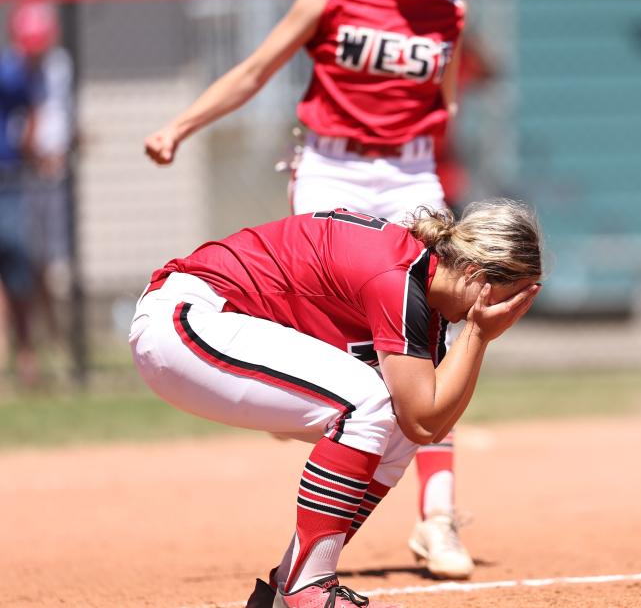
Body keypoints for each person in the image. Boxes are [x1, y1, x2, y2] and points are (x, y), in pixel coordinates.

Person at [143, 0, 478, 580]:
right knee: (352, 347)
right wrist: (181, 125)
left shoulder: (450, 10)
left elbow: (444, 101)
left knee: (437, 331)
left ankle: (438, 515)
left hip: (409, 172)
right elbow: (255, 71)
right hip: (333, 165)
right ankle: (319, 444)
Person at [128, 200, 542, 608]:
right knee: (365, 404)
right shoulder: (397, 276)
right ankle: (309, 589)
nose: (509, 312)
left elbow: (422, 426)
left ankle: (286, 588)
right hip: (188, 319)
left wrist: (477, 336)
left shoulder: (423, 295)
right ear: (473, 272)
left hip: (212, 325)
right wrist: (478, 334)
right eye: (509, 299)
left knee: (392, 424)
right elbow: (422, 416)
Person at [0, 0, 53, 389]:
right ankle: (24, 356)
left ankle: (26, 357)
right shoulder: (14, 72)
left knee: (18, 269)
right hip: (10, 180)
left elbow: (31, 126)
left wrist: (34, 155)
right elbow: (31, 128)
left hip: (9, 180)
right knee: (18, 267)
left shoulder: (28, 75)